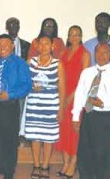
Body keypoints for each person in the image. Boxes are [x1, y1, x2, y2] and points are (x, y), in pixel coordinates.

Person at [72, 42, 110, 179]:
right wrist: (75, 116)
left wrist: (104, 104)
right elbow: (79, 94)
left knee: (102, 152)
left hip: (105, 117)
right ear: (94, 54)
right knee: (85, 151)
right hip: (88, 115)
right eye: (98, 52)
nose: (101, 55)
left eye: (105, 52)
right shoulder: (87, 72)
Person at [0, 34, 32, 179]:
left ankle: (8, 170)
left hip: (9, 106)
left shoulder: (20, 63)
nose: (2, 48)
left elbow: (26, 85)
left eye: (6, 45)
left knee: (9, 139)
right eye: (0, 45)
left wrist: (10, 94)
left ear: (12, 46)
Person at [24, 35, 65, 179]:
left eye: (46, 44)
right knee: (35, 137)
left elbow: (62, 88)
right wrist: (30, 86)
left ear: (52, 46)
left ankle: (45, 166)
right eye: (41, 44)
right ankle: (36, 165)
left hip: (51, 106)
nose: (43, 47)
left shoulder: (57, 63)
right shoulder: (31, 62)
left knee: (48, 138)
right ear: (37, 46)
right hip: (34, 106)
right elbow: (24, 83)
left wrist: (61, 109)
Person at [54, 25, 90, 178]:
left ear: (81, 37)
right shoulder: (64, 53)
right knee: (64, 130)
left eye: (77, 35)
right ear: (68, 37)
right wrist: (62, 97)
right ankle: (65, 162)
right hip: (63, 96)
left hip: (78, 98)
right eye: (71, 35)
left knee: (75, 133)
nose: (74, 37)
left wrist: (72, 96)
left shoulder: (85, 54)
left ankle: (73, 163)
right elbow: (58, 77)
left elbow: (85, 79)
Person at [5, 17, 31, 139]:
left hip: (20, 84)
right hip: (5, 84)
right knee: (4, 112)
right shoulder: (2, 44)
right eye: (10, 25)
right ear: (7, 28)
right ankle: (5, 135)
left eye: (16, 25)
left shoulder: (27, 45)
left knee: (19, 110)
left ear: (19, 27)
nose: (13, 27)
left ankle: (15, 135)